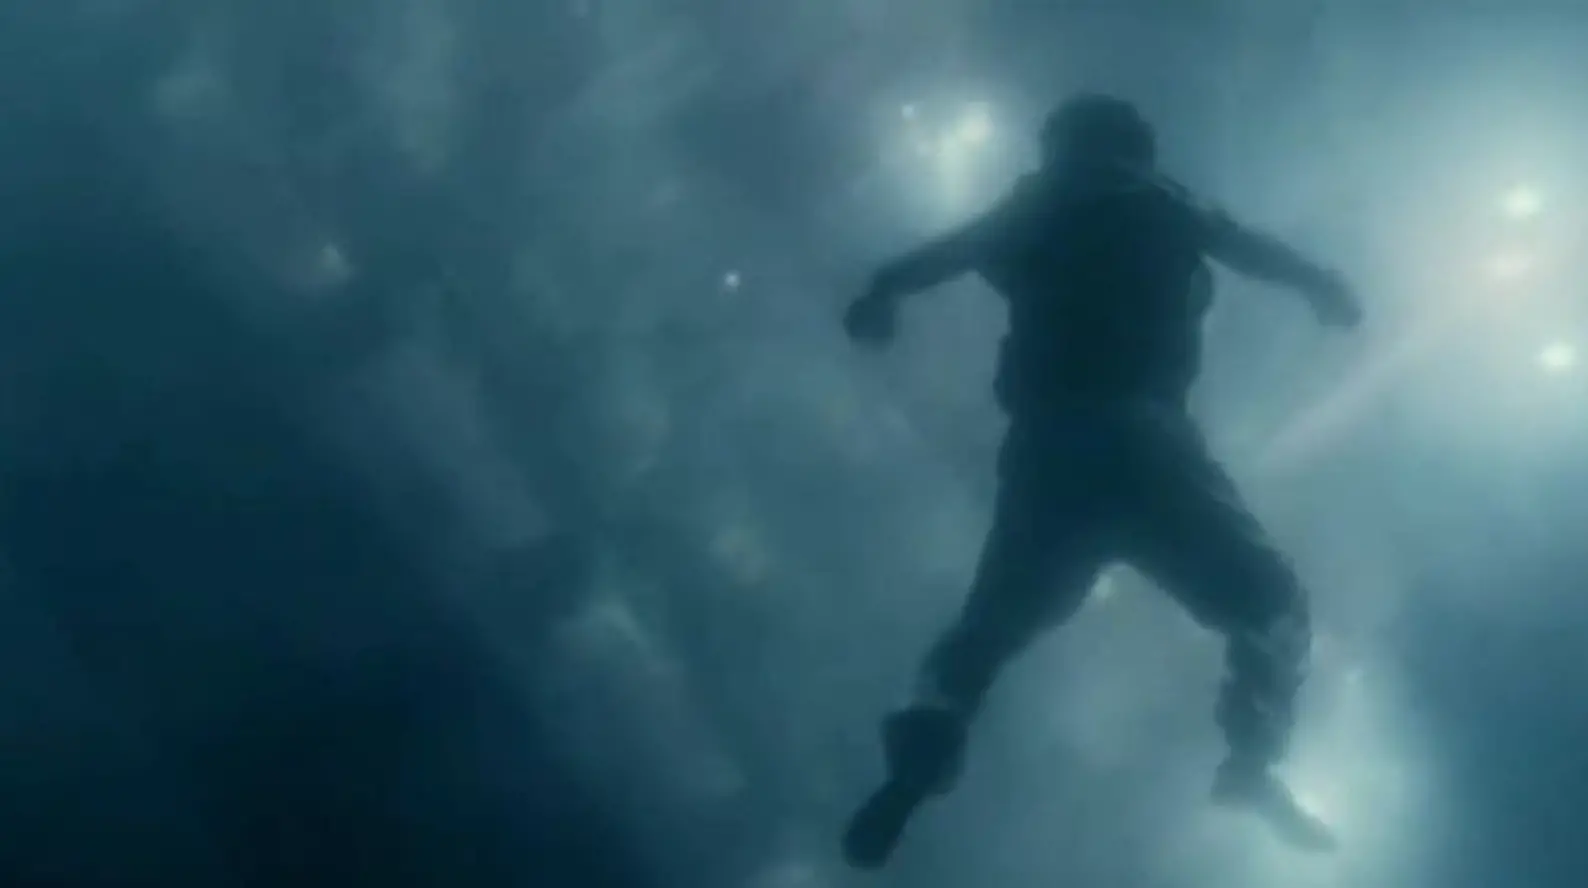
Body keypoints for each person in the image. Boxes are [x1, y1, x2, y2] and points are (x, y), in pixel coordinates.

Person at [839, 93, 1362, 869]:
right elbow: (1247, 248)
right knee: (1271, 604)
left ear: (1060, 145)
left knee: (987, 631)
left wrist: (883, 289)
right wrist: (1322, 284)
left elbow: (951, 251)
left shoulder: (1035, 205)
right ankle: (1252, 760)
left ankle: (920, 757)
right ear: (1133, 145)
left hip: (1049, 449)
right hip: (1144, 438)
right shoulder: (1156, 198)